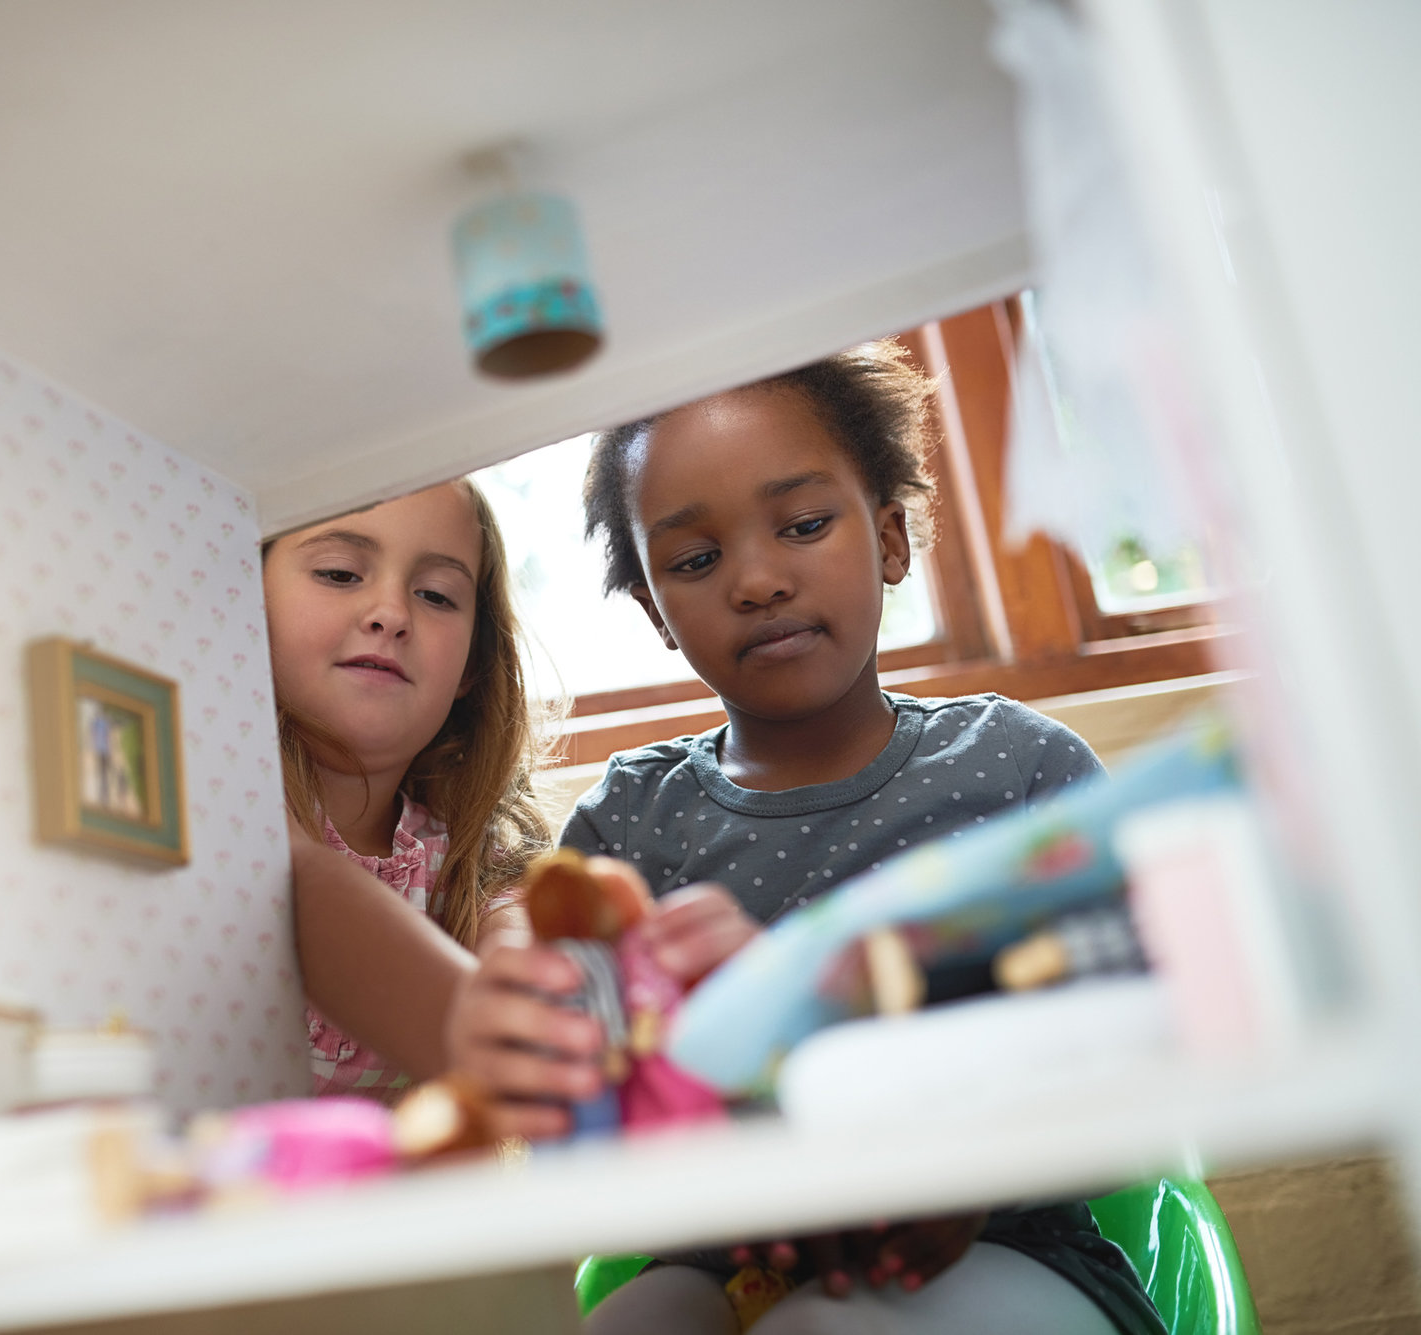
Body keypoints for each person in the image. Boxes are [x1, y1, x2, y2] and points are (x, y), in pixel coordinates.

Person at [445, 341, 1164, 1334]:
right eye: (695, 560)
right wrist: (519, 980)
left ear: (889, 540)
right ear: (657, 613)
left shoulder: (1015, 767)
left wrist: (967, 1163)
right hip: (715, 1257)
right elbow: (579, 1036)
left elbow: (1135, 1039)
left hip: (1001, 1244)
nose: (755, 580)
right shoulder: (630, 820)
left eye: (802, 524)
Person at [264, 479, 552, 1102]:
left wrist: (525, 979)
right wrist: (479, 1028)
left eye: (435, 595)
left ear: (472, 666)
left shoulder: (470, 853)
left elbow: (517, 929)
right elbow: (300, 881)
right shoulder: (229, 793)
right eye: (340, 574)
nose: (391, 613)